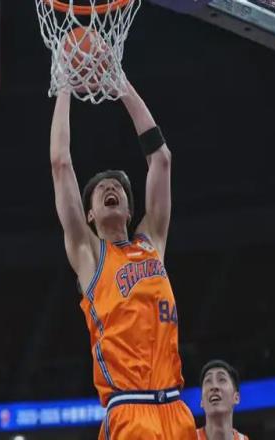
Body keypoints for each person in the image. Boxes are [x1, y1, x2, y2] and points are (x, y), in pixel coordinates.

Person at [50, 78, 196, 439]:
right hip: (129, 409)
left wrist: (121, 85)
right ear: (89, 215)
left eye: (117, 186)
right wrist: (65, 85)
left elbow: (161, 159)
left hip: (176, 409)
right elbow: (60, 163)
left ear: (130, 211)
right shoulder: (89, 255)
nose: (110, 187)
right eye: (101, 188)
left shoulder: (152, 241)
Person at [197, 360, 249, 440]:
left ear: (236, 398)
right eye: (208, 381)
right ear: (202, 401)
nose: (214, 386)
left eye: (222, 380)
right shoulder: (187, 437)